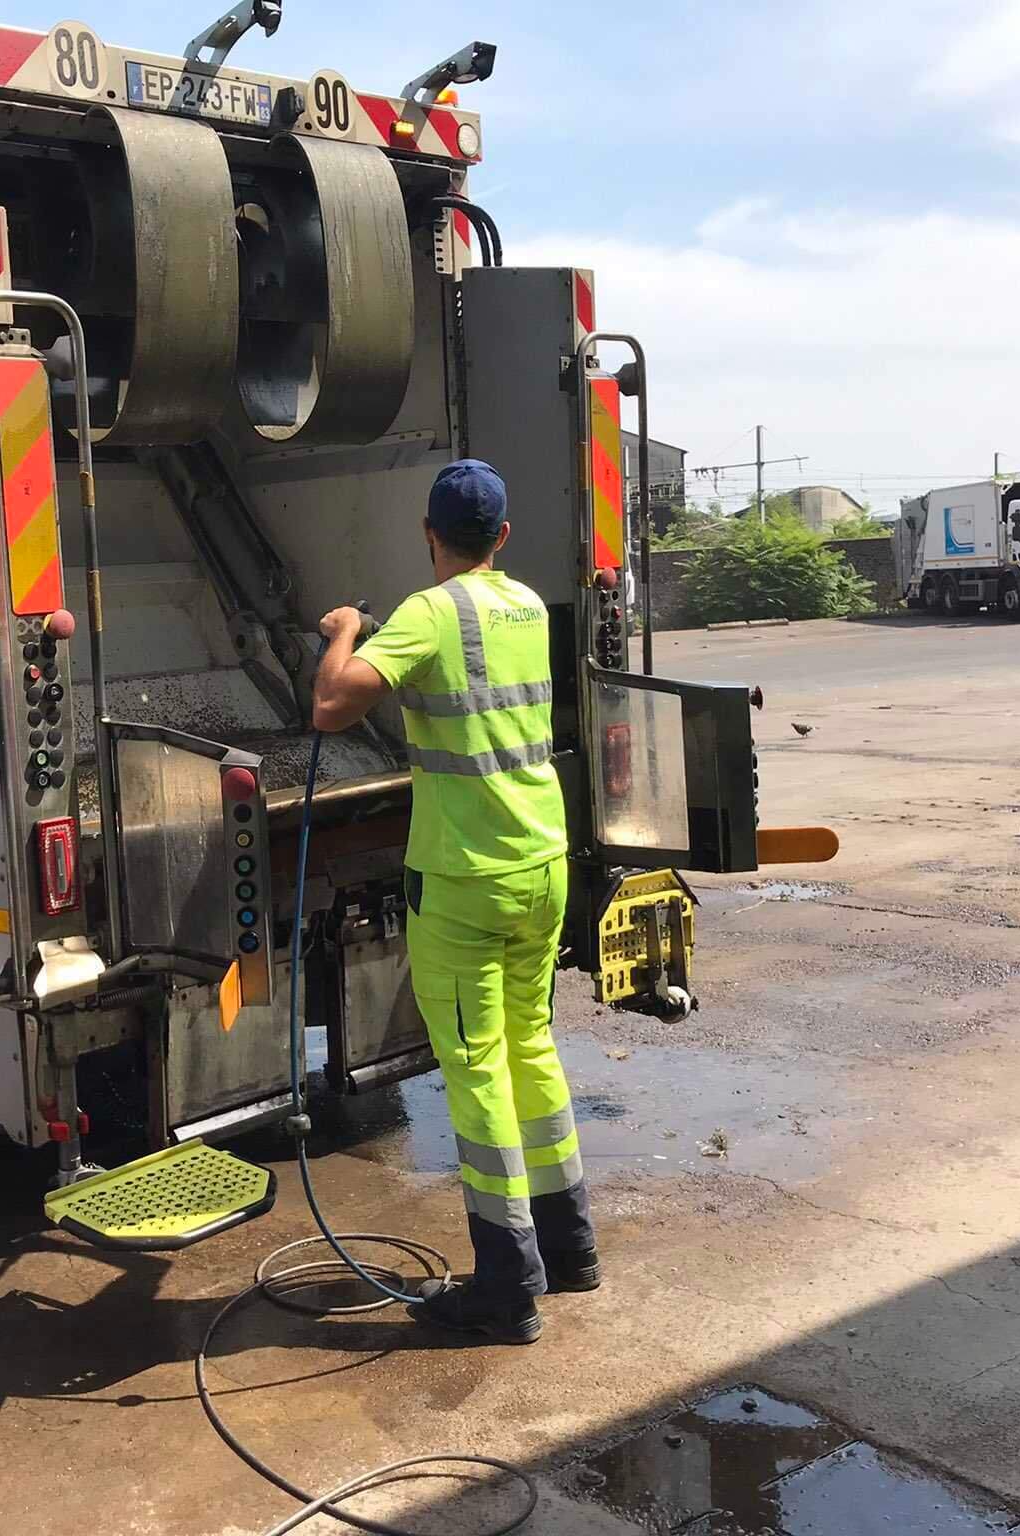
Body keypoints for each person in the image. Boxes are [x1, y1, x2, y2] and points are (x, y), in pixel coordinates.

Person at [311, 459, 598, 1345]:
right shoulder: (525, 607)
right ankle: (569, 1247)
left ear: (430, 536)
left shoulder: (427, 615)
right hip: (542, 862)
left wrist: (346, 630)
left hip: (467, 879)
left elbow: (332, 705)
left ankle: (505, 1286)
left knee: (475, 1069)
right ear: (503, 536)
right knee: (532, 1047)